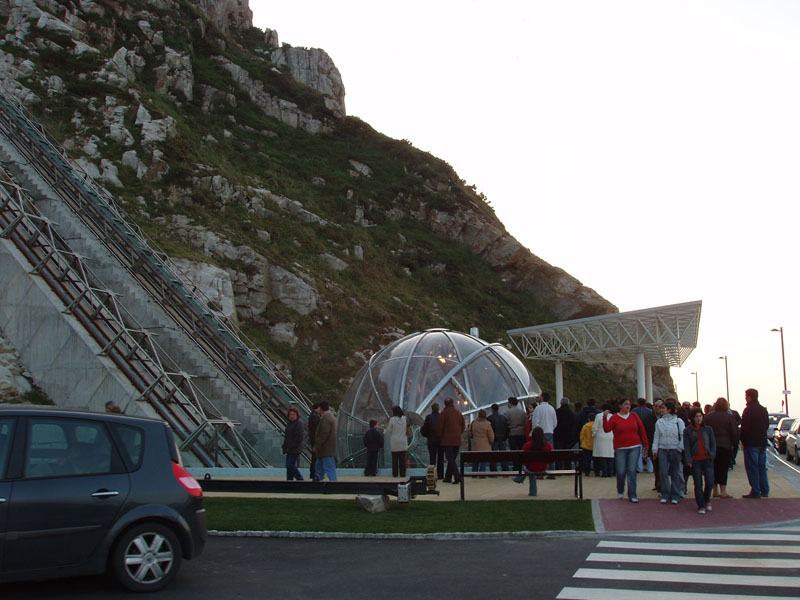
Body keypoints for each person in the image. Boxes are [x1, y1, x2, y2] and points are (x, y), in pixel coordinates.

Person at [603, 398, 648, 502]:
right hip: (620, 448)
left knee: (632, 470)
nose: (628, 406)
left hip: (634, 446)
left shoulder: (634, 416)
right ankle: (620, 489)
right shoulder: (614, 418)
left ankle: (632, 494)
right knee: (621, 471)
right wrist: (605, 418)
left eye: (629, 404)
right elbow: (607, 429)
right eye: (625, 404)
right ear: (620, 406)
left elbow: (641, 429)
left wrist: (646, 444)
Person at [704, 397, 738, 499]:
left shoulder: (708, 417)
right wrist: (734, 444)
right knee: (723, 469)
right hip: (725, 445)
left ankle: (714, 490)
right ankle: (723, 491)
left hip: (711, 445)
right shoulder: (729, 417)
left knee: (713, 468)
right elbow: (734, 432)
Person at [684, 407, 716, 514]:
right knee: (698, 483)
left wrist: (712, 454)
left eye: (700, 416)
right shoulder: (688, 431)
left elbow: (713, 443)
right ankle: (701, 504)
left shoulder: (708, 429)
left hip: (707, 458)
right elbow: (687, 446)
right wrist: (688, 458)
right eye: (696, 416)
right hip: (695, 459)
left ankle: (707, 499)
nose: (699, 419)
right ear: (692, 418)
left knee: (710, 481)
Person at [652, 399, 684, 504]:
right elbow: (656, 436)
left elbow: (683, 435)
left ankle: (675, 494)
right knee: (663, 472)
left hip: (675, 449)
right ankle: (665, 493)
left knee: (675, 473)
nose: (661, 410)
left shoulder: (678, 421)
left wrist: (680, 447)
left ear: (669, 410)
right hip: (663, 449)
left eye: (663, 408)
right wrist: (655, 449)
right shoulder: (659, 422)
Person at [740, 388, 769, 499]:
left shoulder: (748, 410)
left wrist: (743, 440)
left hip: (751, 443)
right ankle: (765, 489)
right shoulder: (763, 410)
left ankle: (756, 490)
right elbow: (766, 425)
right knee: (761, 466)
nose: (745, 398)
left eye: (746, 396)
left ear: (750, 397)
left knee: (752, 467)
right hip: (762, 441)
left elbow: (744, 428)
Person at [513, 426, 553, 496]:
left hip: (530, 468)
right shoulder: (548, 445)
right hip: (543, 468)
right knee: (531, 468)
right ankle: (520, 480)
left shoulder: (527, 445)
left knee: (528, 469)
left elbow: (523, 460)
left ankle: (520, 480)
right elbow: (551, 460)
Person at [437, 397, 466, 484]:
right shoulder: (458, 413)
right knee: (452, 458)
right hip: (457, 440)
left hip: (447, 440)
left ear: (445, 404)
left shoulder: (444, 413)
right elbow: (463, 426)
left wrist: (440, 436)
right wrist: (458, 433)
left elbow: (440, 427)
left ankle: (457, 476)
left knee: (450, 459)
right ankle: (448, 477)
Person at [643, 398, 665, 493]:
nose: (658, 409)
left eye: (660, 407)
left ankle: (662, 484)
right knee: (656, 465)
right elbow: (645, 432)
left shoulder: (666, 418)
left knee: (663, 466)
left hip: (664, 445)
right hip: (652, 444)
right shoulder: (648, 418)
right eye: (656, 406)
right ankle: (658, 483)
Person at [313, 401, 337, 482]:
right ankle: (318, 478)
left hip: (325, 448)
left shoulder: (326, 418)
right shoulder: (331, 417)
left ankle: (334, 482)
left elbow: (324, 433)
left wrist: (317, 445)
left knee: (328, 467)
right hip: (327, 448)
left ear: (320, 408)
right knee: (320, 466)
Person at [420, 402, 444, 479]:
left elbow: (424, 429)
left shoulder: (428, 417)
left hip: (431, 441)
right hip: (441, 441)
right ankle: (441, 475)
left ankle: (432, 475)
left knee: (432, 459)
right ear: (438, 409)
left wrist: (427, 435)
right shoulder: (442, 417)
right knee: (441, 458)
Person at [592, 402, 615, 477]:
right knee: (610, 455)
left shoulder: (598, 416)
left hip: (600, 436)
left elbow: (595, 427)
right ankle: (610, 472)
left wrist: (593, 434)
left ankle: (604, 472)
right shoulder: (612, 416)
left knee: (602, 455)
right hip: (610, 436)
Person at [468, 408, 494, 473]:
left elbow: (470, 433)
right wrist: (491, 441)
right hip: (485, 445)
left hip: (476, 444)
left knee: (475, 460)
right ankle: (482, 474)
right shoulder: (487, 424)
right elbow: (491, 436)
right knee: (483, 461)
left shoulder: (473, 423)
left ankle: (474, 473)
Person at [386, 405, 409, 478]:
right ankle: (403, 474)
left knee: (395, 460)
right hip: (403, 441)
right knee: (402, 460)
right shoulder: (405, 419)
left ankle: (395, 474)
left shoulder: (392, 420)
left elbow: (389, 430)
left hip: (395, 442)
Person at [282, 407, 304, 481]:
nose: (292, 416)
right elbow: (287, 436)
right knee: (288, 466)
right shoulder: (289, 424)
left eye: (293, 414)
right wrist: (285, 446)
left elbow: (299, 437)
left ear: (297, 415)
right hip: (289, 448)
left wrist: (293, 445)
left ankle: (300, 479)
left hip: (295, 448)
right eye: (290, 414)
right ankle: (289, 480)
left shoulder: (299, 424)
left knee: (290, 464)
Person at [554, 397, 576, 469]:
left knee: (559, 453)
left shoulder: (557, 412)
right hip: (568, 436)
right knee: (567, 453)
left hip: (558, 436)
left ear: (561, 403)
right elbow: (573, 424)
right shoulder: (571, 413)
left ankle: (559, 468)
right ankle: (568, 468)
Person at [487, 403, 510, 471]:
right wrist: (505, 437)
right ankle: (505, 469)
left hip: (494, 439)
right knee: (503, 454)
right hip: (502, 438)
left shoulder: (489, 418)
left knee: (493, 455)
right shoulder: (503, 417)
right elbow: (507, 428)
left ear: (492, 409)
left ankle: (494, 470)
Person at [308, 403, 321, 481]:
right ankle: (313, 472)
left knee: (314, 457)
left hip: (313, 440)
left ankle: (313, 472)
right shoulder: (315, 417)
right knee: (315, 457)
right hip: (315, 441)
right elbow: (316, 430)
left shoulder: (312, 416)